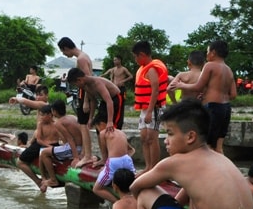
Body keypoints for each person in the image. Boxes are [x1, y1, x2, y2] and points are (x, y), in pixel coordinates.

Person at [129, 99, 253, 209]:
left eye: (171, 134)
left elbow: (135, 187)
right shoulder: (219, 158)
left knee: (146, 194)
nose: (166, 140)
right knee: (193, 204)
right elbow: (188, 195)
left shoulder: (177, 162)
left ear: (190, 137)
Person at [170, 40, 236, 154]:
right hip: (226, 108)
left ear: (213, 52)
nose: (206, 54)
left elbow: (198, 87)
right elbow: (233, 95)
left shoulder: (210, 65)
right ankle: (222, 170)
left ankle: (208, 171)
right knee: (219, 147)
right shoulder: (228, 70)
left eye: (207, 51)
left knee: (208, 146)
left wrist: (181, 85)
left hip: (213, 107)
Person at [132, 41, 168, 173]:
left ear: (142, 54)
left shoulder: (152, 69)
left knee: (152, 139)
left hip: (154, 108)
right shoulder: (143, 69)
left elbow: (155, 90)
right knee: (144, 138)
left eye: (136, 57)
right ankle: (148, 167)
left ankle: (154, 168)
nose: (135, 60)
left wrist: (149, 112)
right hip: (144, 109)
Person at [58, 37, 95, 168]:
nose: (64, 55)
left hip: (84, 94)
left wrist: (86, 101)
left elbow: (87, 80)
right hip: (83, 94)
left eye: (63, 52)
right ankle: (86, 153)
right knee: (83, 125)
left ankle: (87, 155)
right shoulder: (83, 57)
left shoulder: (81, 59)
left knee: (84, 126)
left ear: (66, 48)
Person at [39, 100, 83, 192]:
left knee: (44, 153)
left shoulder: (59, 123)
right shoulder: (72, 117)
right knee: (50, 150)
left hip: (74, 149)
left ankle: (53, 179)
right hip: (81, 148)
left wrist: (76, 157)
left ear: (54, 111)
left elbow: (70, 139)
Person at [91, 115, 136, 204]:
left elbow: (104, 157)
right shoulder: (121, 132)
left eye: (97, 128)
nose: (98, 131)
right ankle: (135, 201)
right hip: (127, 160)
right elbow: (132, 150)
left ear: (101, 124)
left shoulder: (103, 133)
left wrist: (101, 163)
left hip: (114, 162)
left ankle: (118, 202)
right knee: (135, 182)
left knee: (96, 189)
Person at [16, 104, 61, 188]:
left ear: (49, 115)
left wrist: (53, 148)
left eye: (42, 115)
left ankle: (46, 178)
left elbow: (63, 138)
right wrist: (48, 146)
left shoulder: (57, 124)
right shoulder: (41, 124)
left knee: (43, 155)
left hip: (53, 145)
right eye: (40, 115)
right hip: (40, 144)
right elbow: (39, 140)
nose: (40, 117)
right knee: (19, 162)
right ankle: (38, 180)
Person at [101, 55, 133, 127]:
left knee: (120, 106)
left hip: (121, 90)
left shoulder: (123, 69)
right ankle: (112, 121)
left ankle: (118, 124)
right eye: (114, 60)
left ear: (119, 60)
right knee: (113, 105)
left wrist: (123, 81)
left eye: (115, 60)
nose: (114, 61)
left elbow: (131, 76)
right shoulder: (113, 69)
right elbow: (105, 74)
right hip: (114, 90)